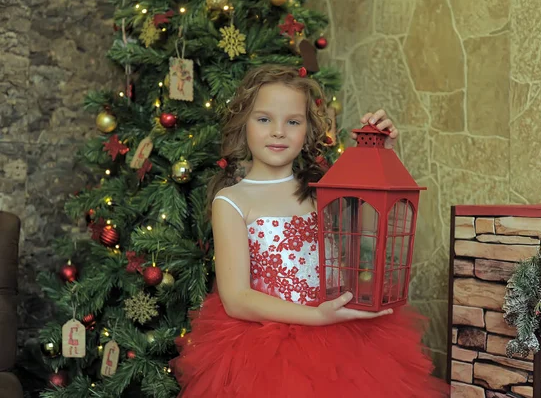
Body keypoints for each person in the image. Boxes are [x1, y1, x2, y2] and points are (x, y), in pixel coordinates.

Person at [170, 64, 449, 398]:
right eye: (264, 119)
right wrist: (316, 317)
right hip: (267, 351)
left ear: (308, 130)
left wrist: (380, 155)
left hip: (342, 337)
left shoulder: (323, 189)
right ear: (243, 123)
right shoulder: (231, 201)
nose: (278, 132)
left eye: (293, 121)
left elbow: (375, 221)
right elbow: (237, 299)